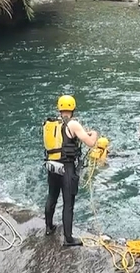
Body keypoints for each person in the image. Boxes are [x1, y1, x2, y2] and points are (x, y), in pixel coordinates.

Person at [43, 95, 100, 246]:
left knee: (52, 197)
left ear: (59, 109)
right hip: (66, 168)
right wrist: (94, 133)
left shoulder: (50, 123)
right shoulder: (73, 124)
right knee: (68, 203)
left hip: (51, 166)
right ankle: (68, 239)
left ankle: (49, 227)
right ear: (73, 108)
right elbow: (91, 142)